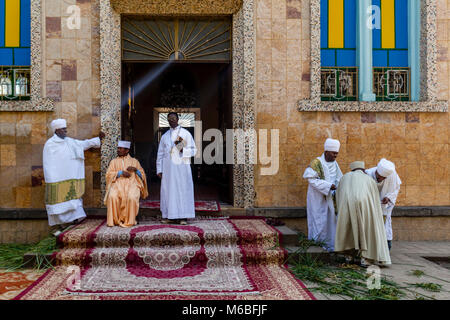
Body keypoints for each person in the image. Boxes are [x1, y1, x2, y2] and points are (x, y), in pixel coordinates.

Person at [43, 119, 104, 235]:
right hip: (57, 179)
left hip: (70, 177)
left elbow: (82, 144)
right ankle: (61, 226)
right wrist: (51, 178)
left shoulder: (69, 142)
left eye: (65, 129)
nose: (65, 131)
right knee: (59, 203)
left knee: (72, 201)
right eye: (63, 129)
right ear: (56, 130)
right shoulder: (50, 145)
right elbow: (48, 164)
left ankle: (72, 224)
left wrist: (98, 140)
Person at [335, 161, 391, 266]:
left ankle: (349, 256)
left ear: (352, 170)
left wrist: (341, 209)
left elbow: (339, 195)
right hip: (365, 208)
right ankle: (366, 258)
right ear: (363, 170)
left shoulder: (345, 177)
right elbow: (374, 199)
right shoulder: (369, 179)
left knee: (349, 230)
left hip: (347, 206)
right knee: (367, 231)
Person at [156, 112, 197, 225]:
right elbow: (160, 154)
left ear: (178, 119)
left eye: (173, 118)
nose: (171, 120)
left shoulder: (185, 134)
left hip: (181, 169)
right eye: (169, 119)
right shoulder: (164, 136)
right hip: (168, 169)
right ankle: (169, 216)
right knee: (168, 191)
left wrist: (184, 150)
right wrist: (159, 169)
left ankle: (183, 217)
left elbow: (194, 151)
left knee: (182, 190)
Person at [303, 138, 343, 251]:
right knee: (318, 220)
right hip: (317, 198)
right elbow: (311, 179)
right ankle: (317, 246)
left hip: (330, 198)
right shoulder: (316, 163)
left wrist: (338, 187)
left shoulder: (335, 164)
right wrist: (328, 186)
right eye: (333, 153)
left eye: (337, 153)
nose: (335, 156)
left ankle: (330, 246)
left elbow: (339, 178)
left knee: (330, 221)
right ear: (326, 152)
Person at [104, 141, 148, 227]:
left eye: (121, 148)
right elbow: (108, 175)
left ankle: (130, 220)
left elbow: (143, 176)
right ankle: (115, 221)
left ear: (127, 150)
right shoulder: (113, 162)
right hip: (117, 184)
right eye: (118, 148)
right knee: (112, 196)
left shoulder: (134, 161)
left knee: (131, 197)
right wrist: (120, 173)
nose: (118, 150)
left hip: (132, 184)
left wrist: (135, 170)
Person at [365, 158, 402, 250]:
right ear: (377, 172)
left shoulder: (392, 175)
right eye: (380, 177)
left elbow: (395, 188)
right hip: (371, 208)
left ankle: (386, 249)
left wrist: (388, 197)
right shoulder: (368, 174)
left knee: (385, 228)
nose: (382, 179)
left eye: (384, 178)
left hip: (384, 208)